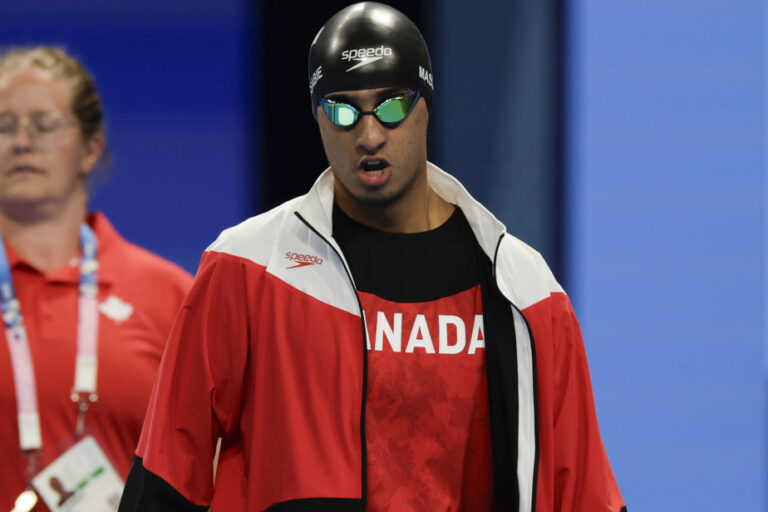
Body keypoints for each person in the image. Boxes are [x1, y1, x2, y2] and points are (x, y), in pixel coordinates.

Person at [119, 3, 626, 511]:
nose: (368, 135)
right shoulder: (250, 267)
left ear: (426, 104)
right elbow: (168, 471)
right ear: (317, 117)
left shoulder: (523, 287)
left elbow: (582, 488)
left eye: (391, 105)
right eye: (342, 110)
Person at [0, 46, 192, 512]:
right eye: (4, 126)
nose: (22, 141)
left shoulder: (171, 295)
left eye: (44, 125)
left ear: (91, 148)